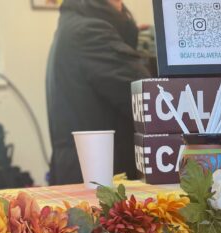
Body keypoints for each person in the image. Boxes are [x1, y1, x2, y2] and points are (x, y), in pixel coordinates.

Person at [46, 0, 150, 184]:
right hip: (100, 181)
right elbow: (147, 96)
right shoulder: (89, 32)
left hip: (86, 173)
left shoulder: (74, 24)